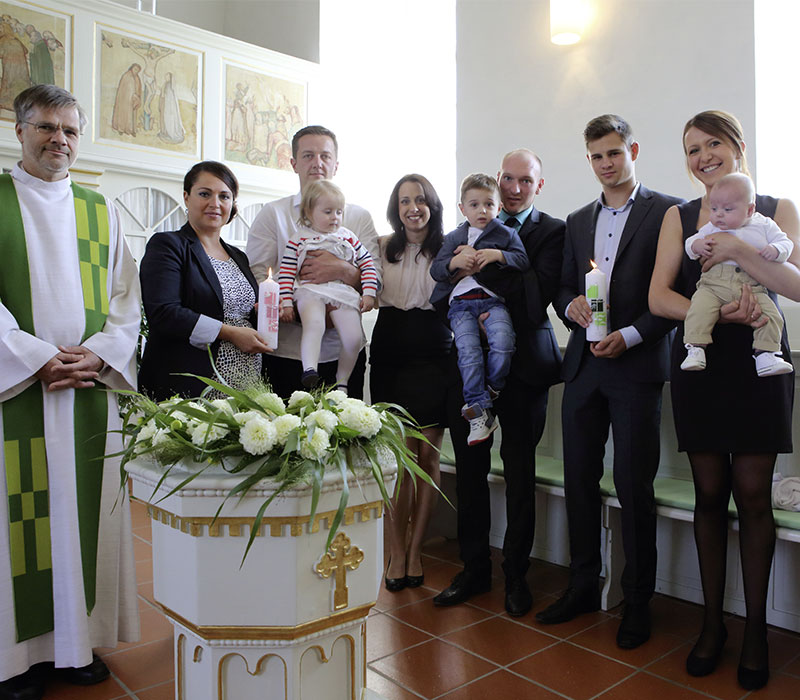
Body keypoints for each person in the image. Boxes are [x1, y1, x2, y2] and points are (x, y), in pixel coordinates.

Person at [649, 110, 800, 690]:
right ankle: (712, 625)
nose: (703, 155)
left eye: (713, 143)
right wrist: (709, 314)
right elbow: (659, 294)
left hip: (763, 363)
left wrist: (738, 246)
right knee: (709, 493)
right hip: (703, 362)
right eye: (692, 148)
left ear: (738, 146)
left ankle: (757, 630)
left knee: (753, 494)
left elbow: (793, 285)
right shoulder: (679, 216)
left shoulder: (777, 207)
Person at [0, 85, 141, 700]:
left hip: (85, 389)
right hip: (19, 396)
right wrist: (33, 361)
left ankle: (74, 648)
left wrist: (99, 354)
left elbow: (126, 303)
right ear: (19, 129)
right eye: (46, 128)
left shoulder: (99, 209)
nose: (60, 140)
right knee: (19, 527)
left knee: (81, 520)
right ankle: (16, 658)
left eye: (71, 131)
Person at [537, 115, 683, 650]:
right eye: (597, 156)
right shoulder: (577, 220)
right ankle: (580, 584)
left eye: (614, 153)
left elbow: (674, 297)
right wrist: (570, 305)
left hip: (637, 366)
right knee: (578, 479)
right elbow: (560, 287)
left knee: (633, 487)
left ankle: (637, 601)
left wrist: (632, 335)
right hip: (582, 367)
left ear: (633, 150)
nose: (606, 164)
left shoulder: (668, 211)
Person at [433, 149, 564, 617]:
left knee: (520, 473)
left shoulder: (552, 231)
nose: (512, 188)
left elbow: (535, 299)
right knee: (469, 473)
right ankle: (473, 569)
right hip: (466, 368)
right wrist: (460, 268)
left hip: (524, 366)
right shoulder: (462, 233)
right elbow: (440, 291)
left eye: (523, 180)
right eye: (506, 178)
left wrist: (482, 265)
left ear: (538, 184)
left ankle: (516, 574)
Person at [246, 125, 381, 398]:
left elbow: (375, 279)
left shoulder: (357, 217)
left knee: (345, 436)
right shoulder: (273, 214)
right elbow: (259, 277)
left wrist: (342, 269)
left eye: (325, 156)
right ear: (294, 163)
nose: (317, 163)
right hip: (287, 352)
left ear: (336, 164)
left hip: (340, 349)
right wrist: (299, 305)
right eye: (308, 156)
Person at [370, 174, 452, 592]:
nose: (412, 208)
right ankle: (395, 551)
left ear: (432, 205)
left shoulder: (448, 246)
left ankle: (416, 550)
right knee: (398, 463)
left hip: (434, 356)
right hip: (390, 354)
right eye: (404, 201)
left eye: (420, 200)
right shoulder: (381, 246)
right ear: (396, 208)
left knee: (427, 460)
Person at [139, 161, 270, 401]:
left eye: (224, 196)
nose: (215, 204)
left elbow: (236, 311)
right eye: (204, 194)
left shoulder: (238, 256)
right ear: (187, 197)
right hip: (190, 383)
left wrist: (263, 314)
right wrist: (229, 333)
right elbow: (164, 313)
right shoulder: (169, 245)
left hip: (244, 382)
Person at [430, 173, 529, 445]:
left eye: (488, 204)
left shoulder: (505, 234)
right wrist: (455, 262)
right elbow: (436, 270)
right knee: (469, 353)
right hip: (461, 305)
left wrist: (499, 255)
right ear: (462, 208)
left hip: (492, 302)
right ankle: (478, 413)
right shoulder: (453, 237)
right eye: (474, 205)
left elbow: (522, 260)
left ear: (498, 207)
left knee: (505, 344)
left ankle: (492, 388)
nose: (482, 210)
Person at [680, 173, 793, 376]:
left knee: (772, 315)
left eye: (727, 209)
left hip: (752, 286)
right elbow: (689, 244)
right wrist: (697, 245)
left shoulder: (764, 224)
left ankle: (766, 354)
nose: (719, 215)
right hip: (714, 284)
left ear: (750, 209)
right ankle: (695, 348)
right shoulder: (711, 227)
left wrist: (776, 250)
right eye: (714, 209)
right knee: (699, 308)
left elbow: (786, 243)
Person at [278, 180, 377, 391]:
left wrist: (369, 292)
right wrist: (286, 303)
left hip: (341, 292)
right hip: (310, 291)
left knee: (353, 338)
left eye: (339, 212)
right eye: (328, 211)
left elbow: (367, 263)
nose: (335, 217)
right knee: (314, 324)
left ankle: (342, 381)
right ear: (309, 212)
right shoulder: (299, 239)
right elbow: (285, 273)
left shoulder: (348, 237)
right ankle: (309, 370)